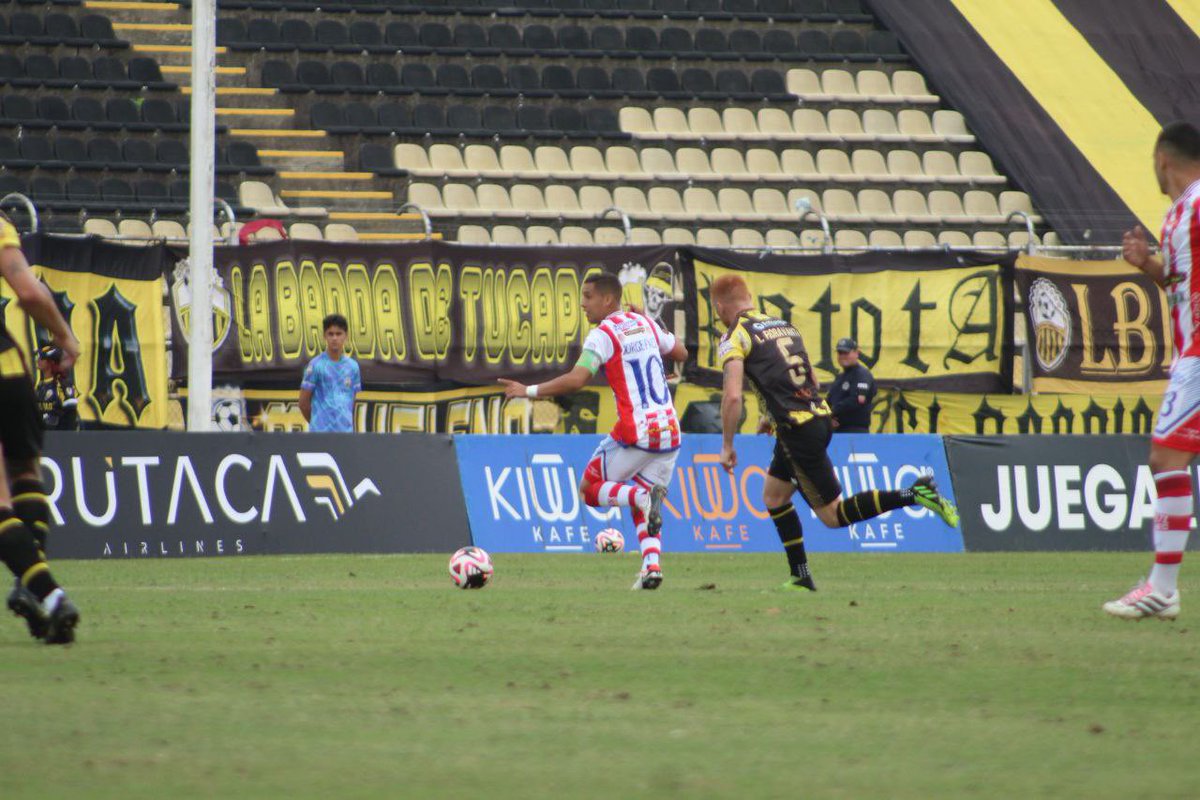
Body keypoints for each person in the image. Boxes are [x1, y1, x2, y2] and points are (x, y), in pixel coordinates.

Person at [711, 274, 959, 591]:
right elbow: (810, 377)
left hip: (797, 429)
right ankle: (800, 575)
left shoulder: (735, 336)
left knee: (833, 516)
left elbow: (732, 396)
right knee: (774, 497)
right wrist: (773, 415)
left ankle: (914, 494)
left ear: (720, 306)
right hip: (814, 419)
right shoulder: (782, 325)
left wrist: (727, 445)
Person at [499, 272, 688, 590]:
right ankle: (651, 567)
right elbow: (681, 353)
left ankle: (642, 498)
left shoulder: (604, 334)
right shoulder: (644, 323)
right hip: (670, 431)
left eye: (588, 297)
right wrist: (652, 326)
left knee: (590, 490)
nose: (583, 304)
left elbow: (577, 379)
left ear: (608, 299)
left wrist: (527, 390)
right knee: (641, 499)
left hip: (637, 431)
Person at [1106, 121, 1200, 620]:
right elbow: (1183, 281)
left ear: (1162, 158)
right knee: (1167, 461)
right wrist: (1149, 266)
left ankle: (1163, 588)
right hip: (1190, 352)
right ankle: (1162, 587)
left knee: (1166, 461)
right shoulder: (1178, 215)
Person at [0, 211, 81, 644]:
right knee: (26, 473)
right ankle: (29, 588)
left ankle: (47, 595)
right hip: (10, 366)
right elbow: (29, 293)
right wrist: (65, 338)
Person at [299, 313, 361, 433]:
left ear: (346, 336)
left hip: (345, 434)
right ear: (324, 336)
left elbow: (351, 400)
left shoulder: (353, 367)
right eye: (330, 334)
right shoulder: (316, 365)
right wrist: (317, 424)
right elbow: (303, 403)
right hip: (320, 435)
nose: (334, 338)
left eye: (338, 334)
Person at [826, 337, 876, 433]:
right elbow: (829, 400)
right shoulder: (840, 377)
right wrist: (826, 418)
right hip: (836, 431)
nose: (843, 356)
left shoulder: (862, 375)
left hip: (855, 432)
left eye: (846, 353)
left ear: (856, 353)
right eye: (840, 353)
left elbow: (857, 401)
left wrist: (832, 412)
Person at [35, 344, 80, 432]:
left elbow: (70, 415)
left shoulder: (62, 385)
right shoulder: (40, 386)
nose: (38, 360)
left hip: (59, 437)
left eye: (42, 358)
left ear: (50, 362)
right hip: (42, 436)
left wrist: (67, 439)